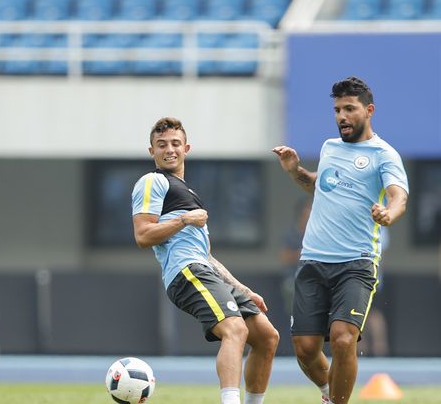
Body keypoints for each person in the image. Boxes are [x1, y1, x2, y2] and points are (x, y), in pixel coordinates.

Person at [273, 76, 409, 404]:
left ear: (369, 110)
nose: (342, 116)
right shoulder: (329, 148)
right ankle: (327, 393)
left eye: (349, 108)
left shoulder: (384, 154)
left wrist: (389, 214)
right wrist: (295, 171)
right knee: (306, 350)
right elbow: (322, 185)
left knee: (343, 339)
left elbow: (398, 195)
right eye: (337, 110)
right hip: (313, 260)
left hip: (356, 262)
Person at [132, 117, 279, 404]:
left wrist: (244, 289)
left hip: (202, 267)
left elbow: (208, 257)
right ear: (152, 152)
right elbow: (143, 235)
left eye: (175, 143)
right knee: (235, 329)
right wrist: (185, 220)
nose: (169, 150)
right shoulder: (153, 181)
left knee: (266, 337)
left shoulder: (190, 194)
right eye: (161, 145)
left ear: (186, 148)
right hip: (185, 272)